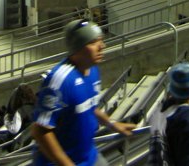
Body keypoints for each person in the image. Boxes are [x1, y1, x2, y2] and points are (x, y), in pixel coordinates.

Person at [32, 20, 136, 166]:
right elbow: (40, 131)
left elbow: (90, 106)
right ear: (77, 48)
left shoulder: (93, 69)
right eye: (93, 42)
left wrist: (112, 124)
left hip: (88, 156)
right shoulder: (59, 80)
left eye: (101, 40)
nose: (102, 47)